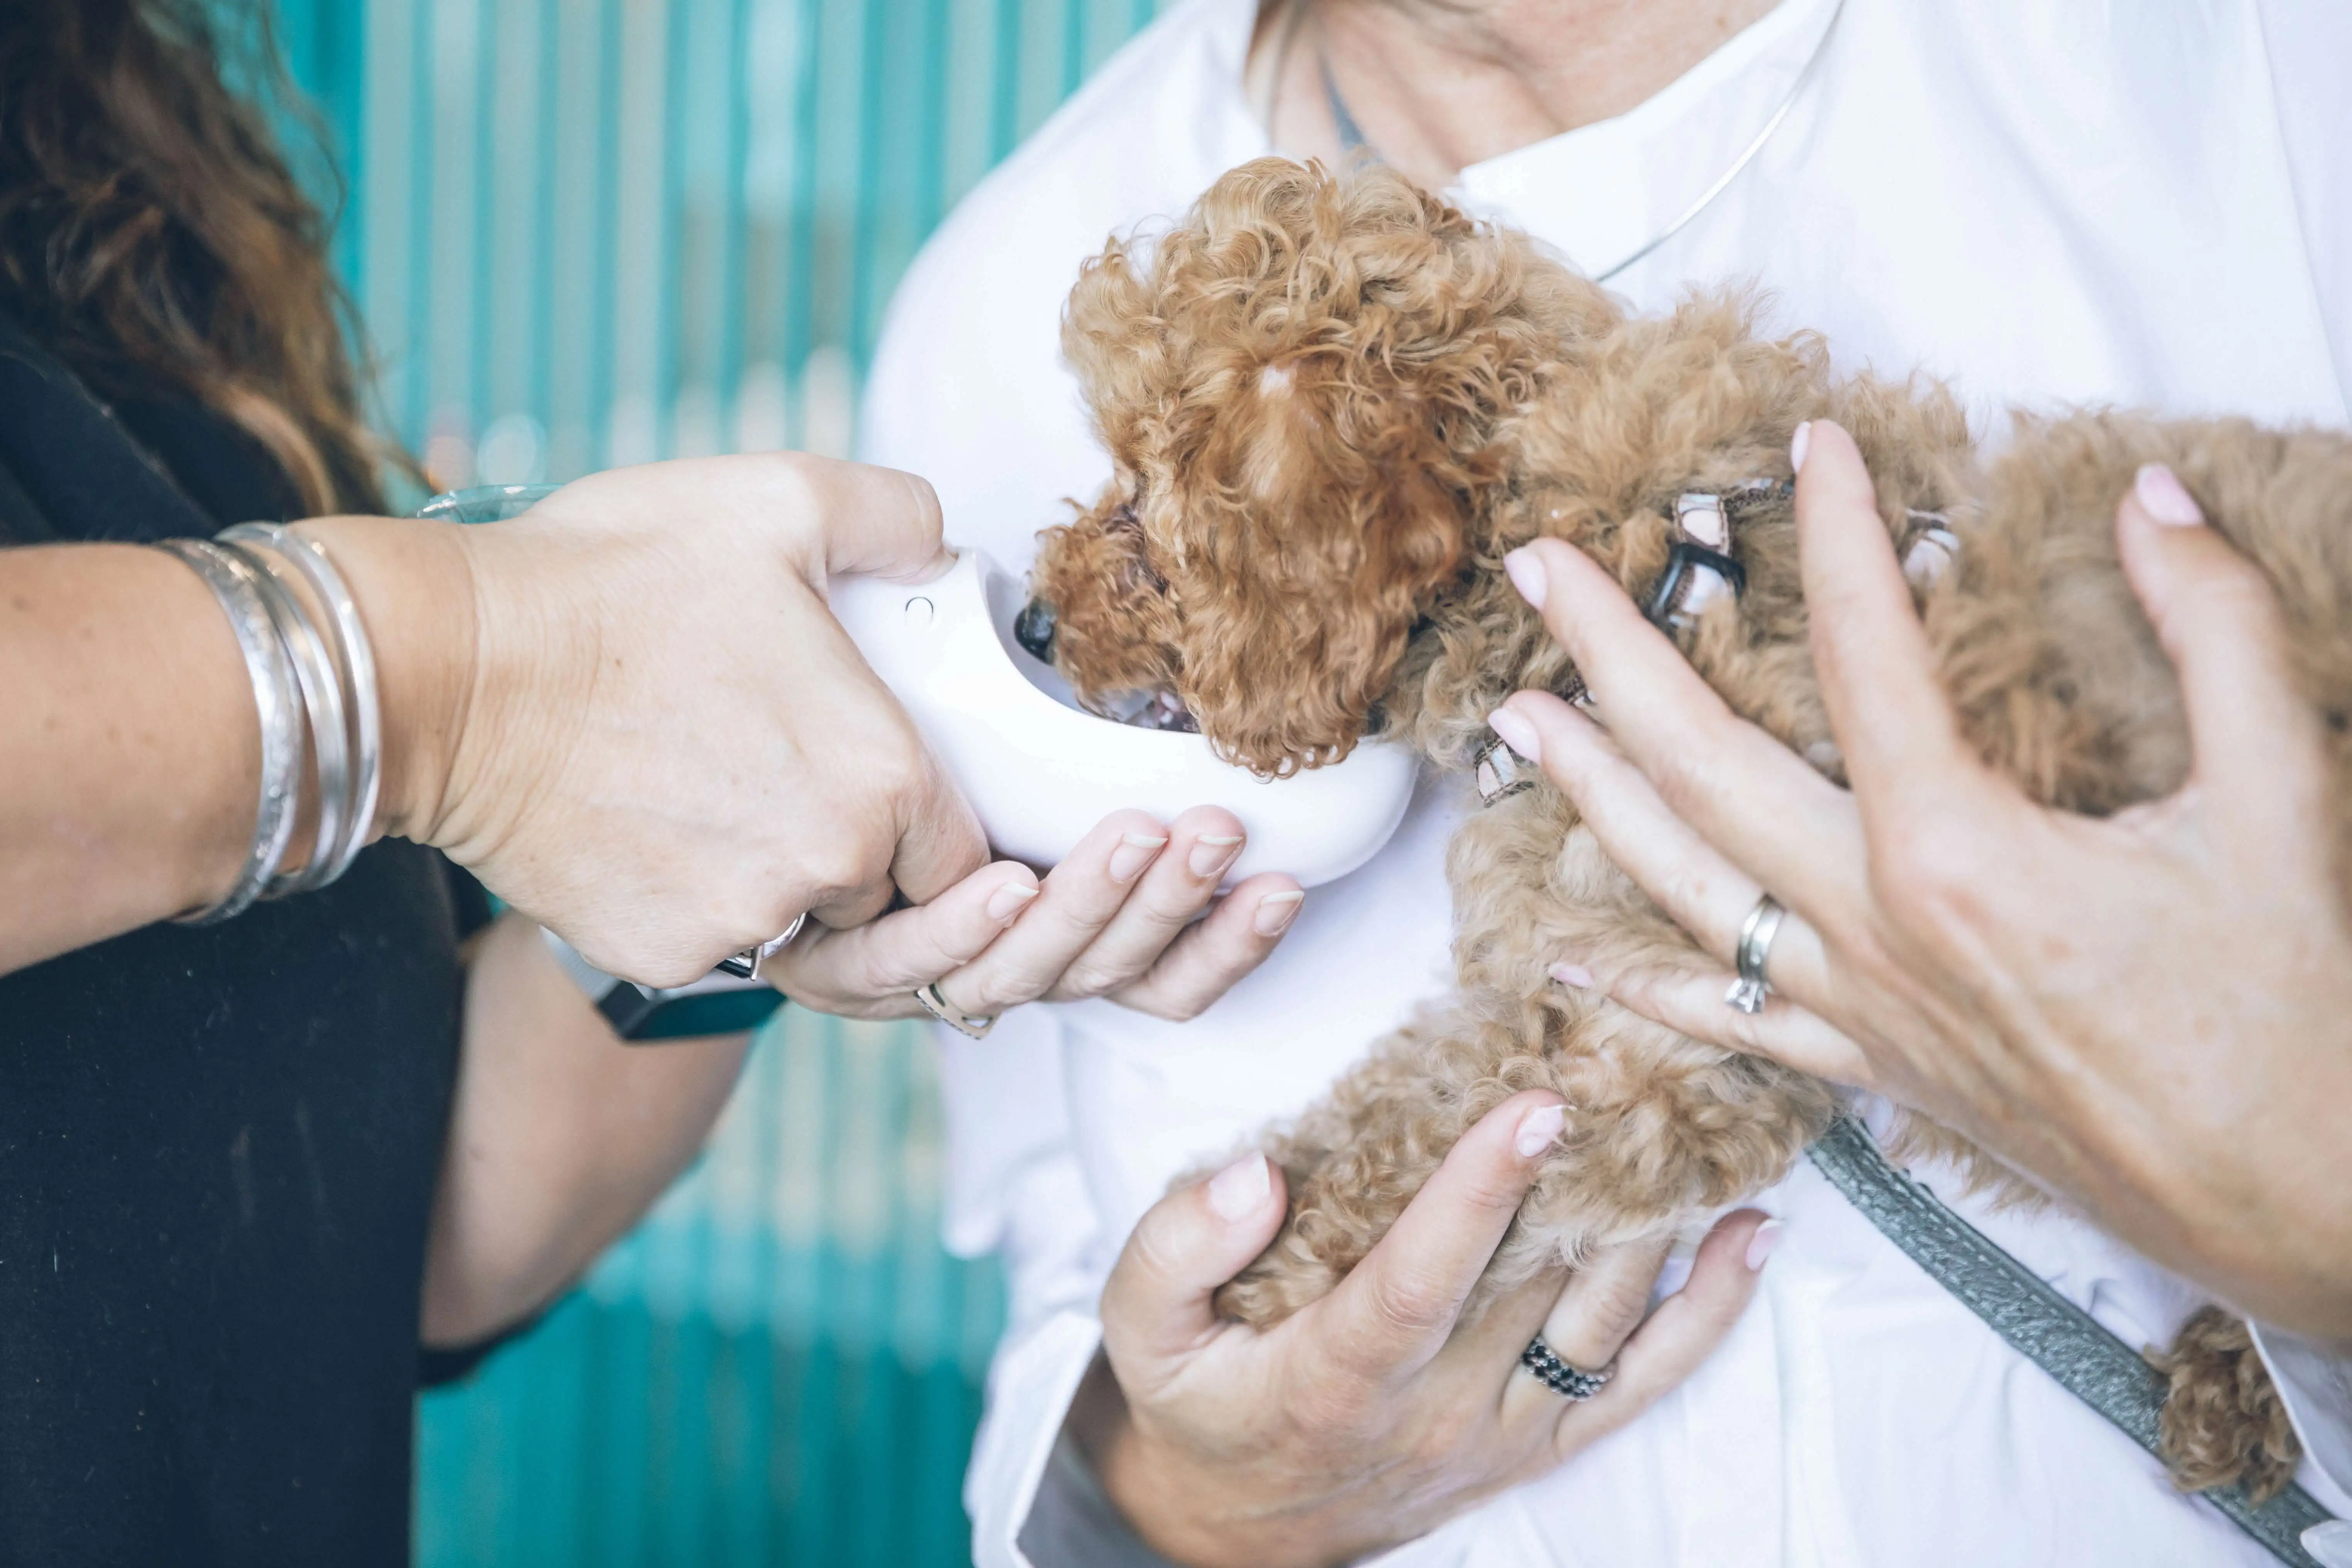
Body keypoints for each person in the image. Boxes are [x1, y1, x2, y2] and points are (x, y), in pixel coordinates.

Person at [859, 0, 2352, 1563]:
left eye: (1147, 528)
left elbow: (1636, 1082)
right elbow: (1057, 1283)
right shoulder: (982, 300)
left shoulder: (2255, 63)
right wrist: (1172, 1504)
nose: (1066, 576)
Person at [0, 4, 1289, 1561]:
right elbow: (450, 697)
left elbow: (398, 1240)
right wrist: (457, 673)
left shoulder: (93, 171)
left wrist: (762, 814)